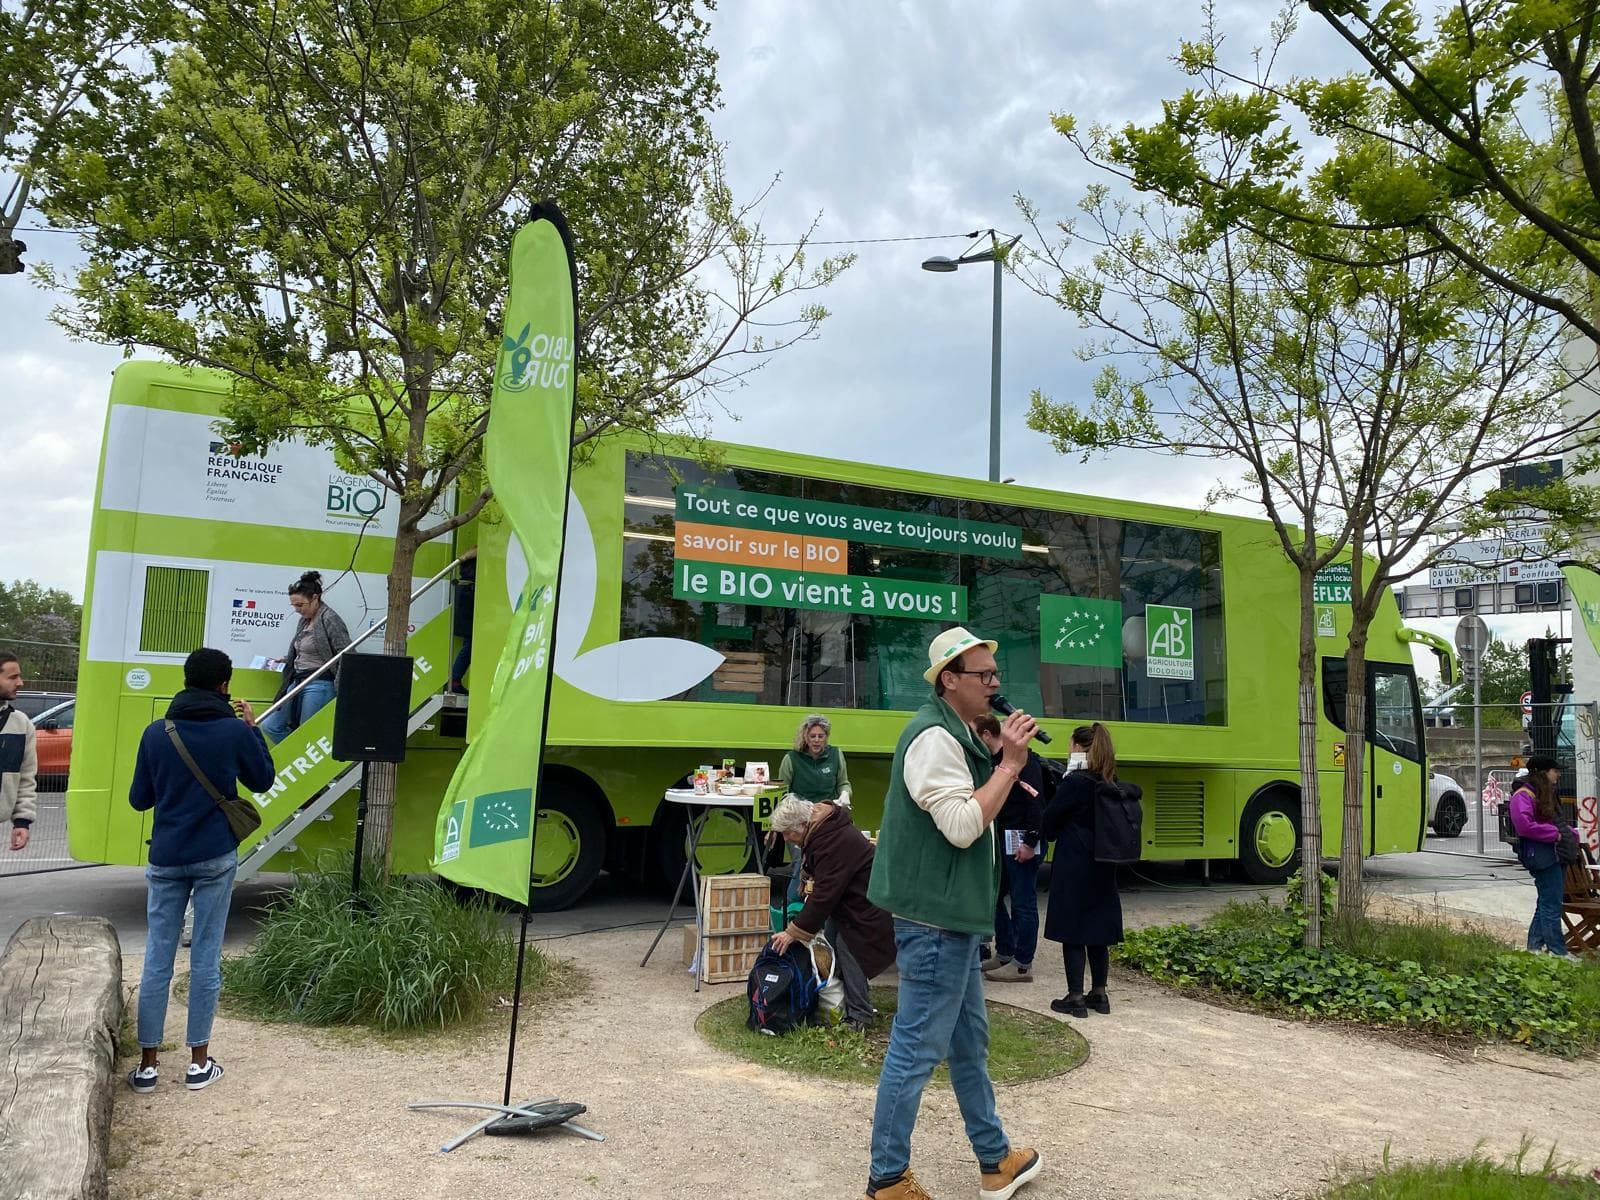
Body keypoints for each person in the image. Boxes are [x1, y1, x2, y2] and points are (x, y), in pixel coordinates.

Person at [863, 626, 1043, 1200]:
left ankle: (995, 1159)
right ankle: (887, 1179)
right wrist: (1009, 765)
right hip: (935, 923)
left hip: (954, 921)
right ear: (949, 680)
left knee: (969, 1044)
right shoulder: (932, 740)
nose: (995, 684)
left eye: (996, 675)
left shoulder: (958, 736)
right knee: (915, 1048)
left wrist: (992, 754)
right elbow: (964, 828)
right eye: (983, 676)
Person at [127, 647, 276, 1092]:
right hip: (214, 855)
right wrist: (253, 730)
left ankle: (148, 1066)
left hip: (167, 856)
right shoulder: (233, 731)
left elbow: (140, 799)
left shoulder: (157, 732)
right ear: (224, 685)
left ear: (186, 680)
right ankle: (198, 1063)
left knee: (158, 959)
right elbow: (263, 780)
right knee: (206, 955)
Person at [769, 795, 895, 1031]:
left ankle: (860, 1016)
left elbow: (825, 894)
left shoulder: (831, 840)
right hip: (857, 903)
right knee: (835, 945)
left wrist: (792, 932)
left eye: (788, 832)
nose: (786, 839)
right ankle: (845, 1005)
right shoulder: (824, 832)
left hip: (866, 908)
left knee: (850, 949)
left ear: (803, 825)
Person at [1042, 722, 1134, 1017]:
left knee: (1073, 930)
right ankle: (1100, 994)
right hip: (1104, 864)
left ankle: (1075, 997)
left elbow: (1050, 822)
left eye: (1071, 744)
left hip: (1074, 862)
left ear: (1080, 747)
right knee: (1097, 931)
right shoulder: (1109, 781)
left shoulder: (1075, 782)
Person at [973, 713, 1043, 984]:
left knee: (1023, 901)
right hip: (1002, 836)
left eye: (975, 735)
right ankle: (1005, 951)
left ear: (987, 735)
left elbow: (1036, 803)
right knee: (995, 896)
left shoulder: (1023, 760)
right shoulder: (994, 762)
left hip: (1021, 837)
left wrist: (1030, 842)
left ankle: (1022, 963)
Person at [261, 570, 351, 743]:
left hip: (320, 683)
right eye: (294, 606)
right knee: (270, 725)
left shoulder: (329, 618)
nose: (297, 610)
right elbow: (307, 647)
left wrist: (341, 687)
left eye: (300, 605)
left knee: (307, 735)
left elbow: (346, 653)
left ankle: (303, 756)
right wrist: (288, 658)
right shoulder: (304, 620)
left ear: (315, 598)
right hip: (297, 681)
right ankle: (298, 753)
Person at [776, 714, 853, 907]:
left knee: (826, 867)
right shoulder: (791, 759)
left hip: (828, 820)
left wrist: (845, 795)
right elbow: (781, 793)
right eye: (813, 736)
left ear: (826, 737)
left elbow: (843, 782)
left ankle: (816, 911)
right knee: (801, 868)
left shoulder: (836, 755)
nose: (817, 740)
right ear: (805, 737)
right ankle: (792, 911)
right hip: (800, 822)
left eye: (821, 736)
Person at [1509, 753, 1574, 957]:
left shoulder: (1544, 793)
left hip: (1555, 853)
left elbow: (1556, 822)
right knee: (1551, 904)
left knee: (1546, 901)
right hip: (1542, 854)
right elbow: (1524, 826)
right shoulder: (1523, 795)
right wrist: (1554, 835)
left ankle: (1534, 947)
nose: (1558, 776)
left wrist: (1571, 833)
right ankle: (1557, 951)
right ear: (1543, 773)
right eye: (1555, 771)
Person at [0, 652, 36, 852]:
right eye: (12, 677)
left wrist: (22, 822)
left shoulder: (21, 724)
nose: (20, 683)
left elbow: (26, 778)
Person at [449, 547, 477, 694]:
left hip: (466, 599)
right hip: (468, 600)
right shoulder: (475, 555)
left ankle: (455, 679)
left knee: (469, 644)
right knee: (470, 645)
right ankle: (454, 679)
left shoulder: (469, 558)